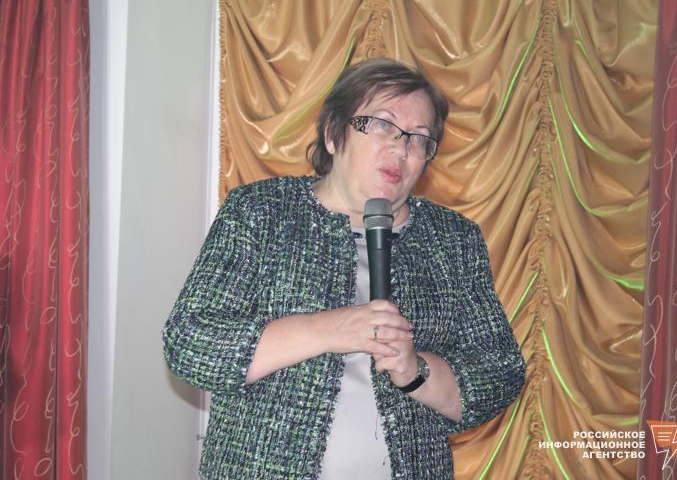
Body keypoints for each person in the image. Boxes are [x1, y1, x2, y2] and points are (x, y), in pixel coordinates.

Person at [162, 58, 526, 479]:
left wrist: (416, 371)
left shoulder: (452, 239)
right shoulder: (261, 211)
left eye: (419, 139)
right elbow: (191, 343)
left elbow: (499, 372)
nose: (401, 149)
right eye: (383, 125)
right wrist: (331, 329)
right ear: (334, 133)